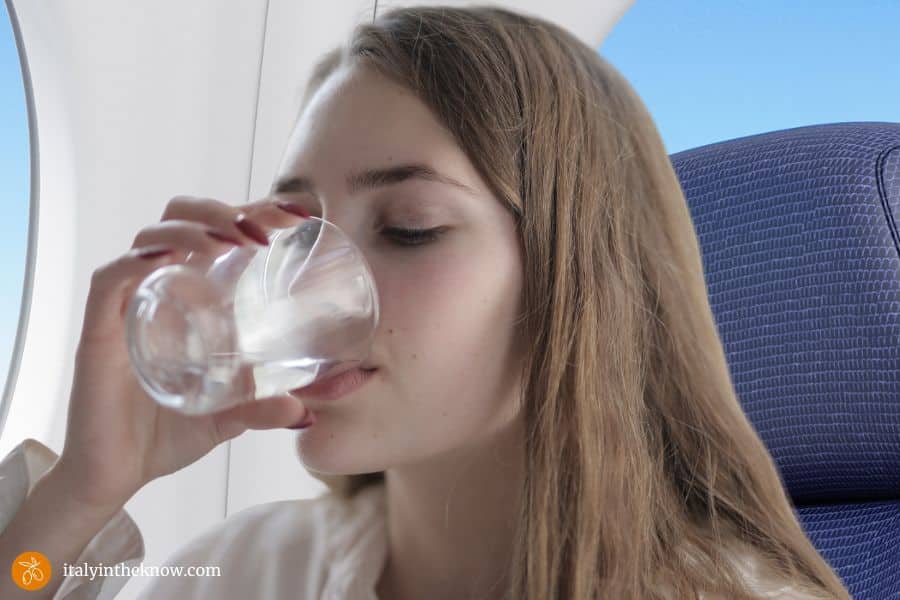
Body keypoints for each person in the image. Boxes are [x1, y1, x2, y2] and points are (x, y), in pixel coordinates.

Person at [0, 5, 852, 599]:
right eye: (298, 230)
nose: (304, 286)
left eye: (408, 227)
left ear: (577, 276)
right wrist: (80, 493)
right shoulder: (251, 568)